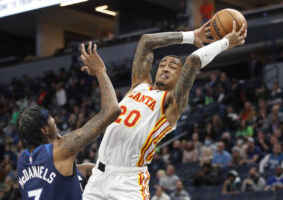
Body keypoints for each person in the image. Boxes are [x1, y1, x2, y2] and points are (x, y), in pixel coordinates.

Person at [83, 20, 247, 200]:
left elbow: (192, 61)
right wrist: (191, 36)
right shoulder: (139, 85)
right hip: (98, 175)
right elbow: (146, 41)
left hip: (128, 181)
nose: (165, 68)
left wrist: (225, 42)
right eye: (163, 65)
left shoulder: (171, 103)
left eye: (173, 67)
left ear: (180, 78)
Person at [16, 42, 121, 200]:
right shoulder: (61, 149)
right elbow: (112, 110)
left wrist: (88, 170)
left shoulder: (23, 161)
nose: (54, 120)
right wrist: (101, 72)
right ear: (44, 130)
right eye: (50, 118)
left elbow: (58, 175)